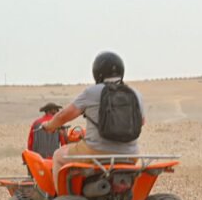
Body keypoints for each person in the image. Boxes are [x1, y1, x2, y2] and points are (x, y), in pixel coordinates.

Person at [43, 52, 145, 182]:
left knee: (58, 156)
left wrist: (49, 126)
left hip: (96, 151)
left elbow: (63, 116)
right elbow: (141, 122)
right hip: (131, 154)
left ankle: (61, 195)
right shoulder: (135, 94)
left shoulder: (92, 92)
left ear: (97, 72)